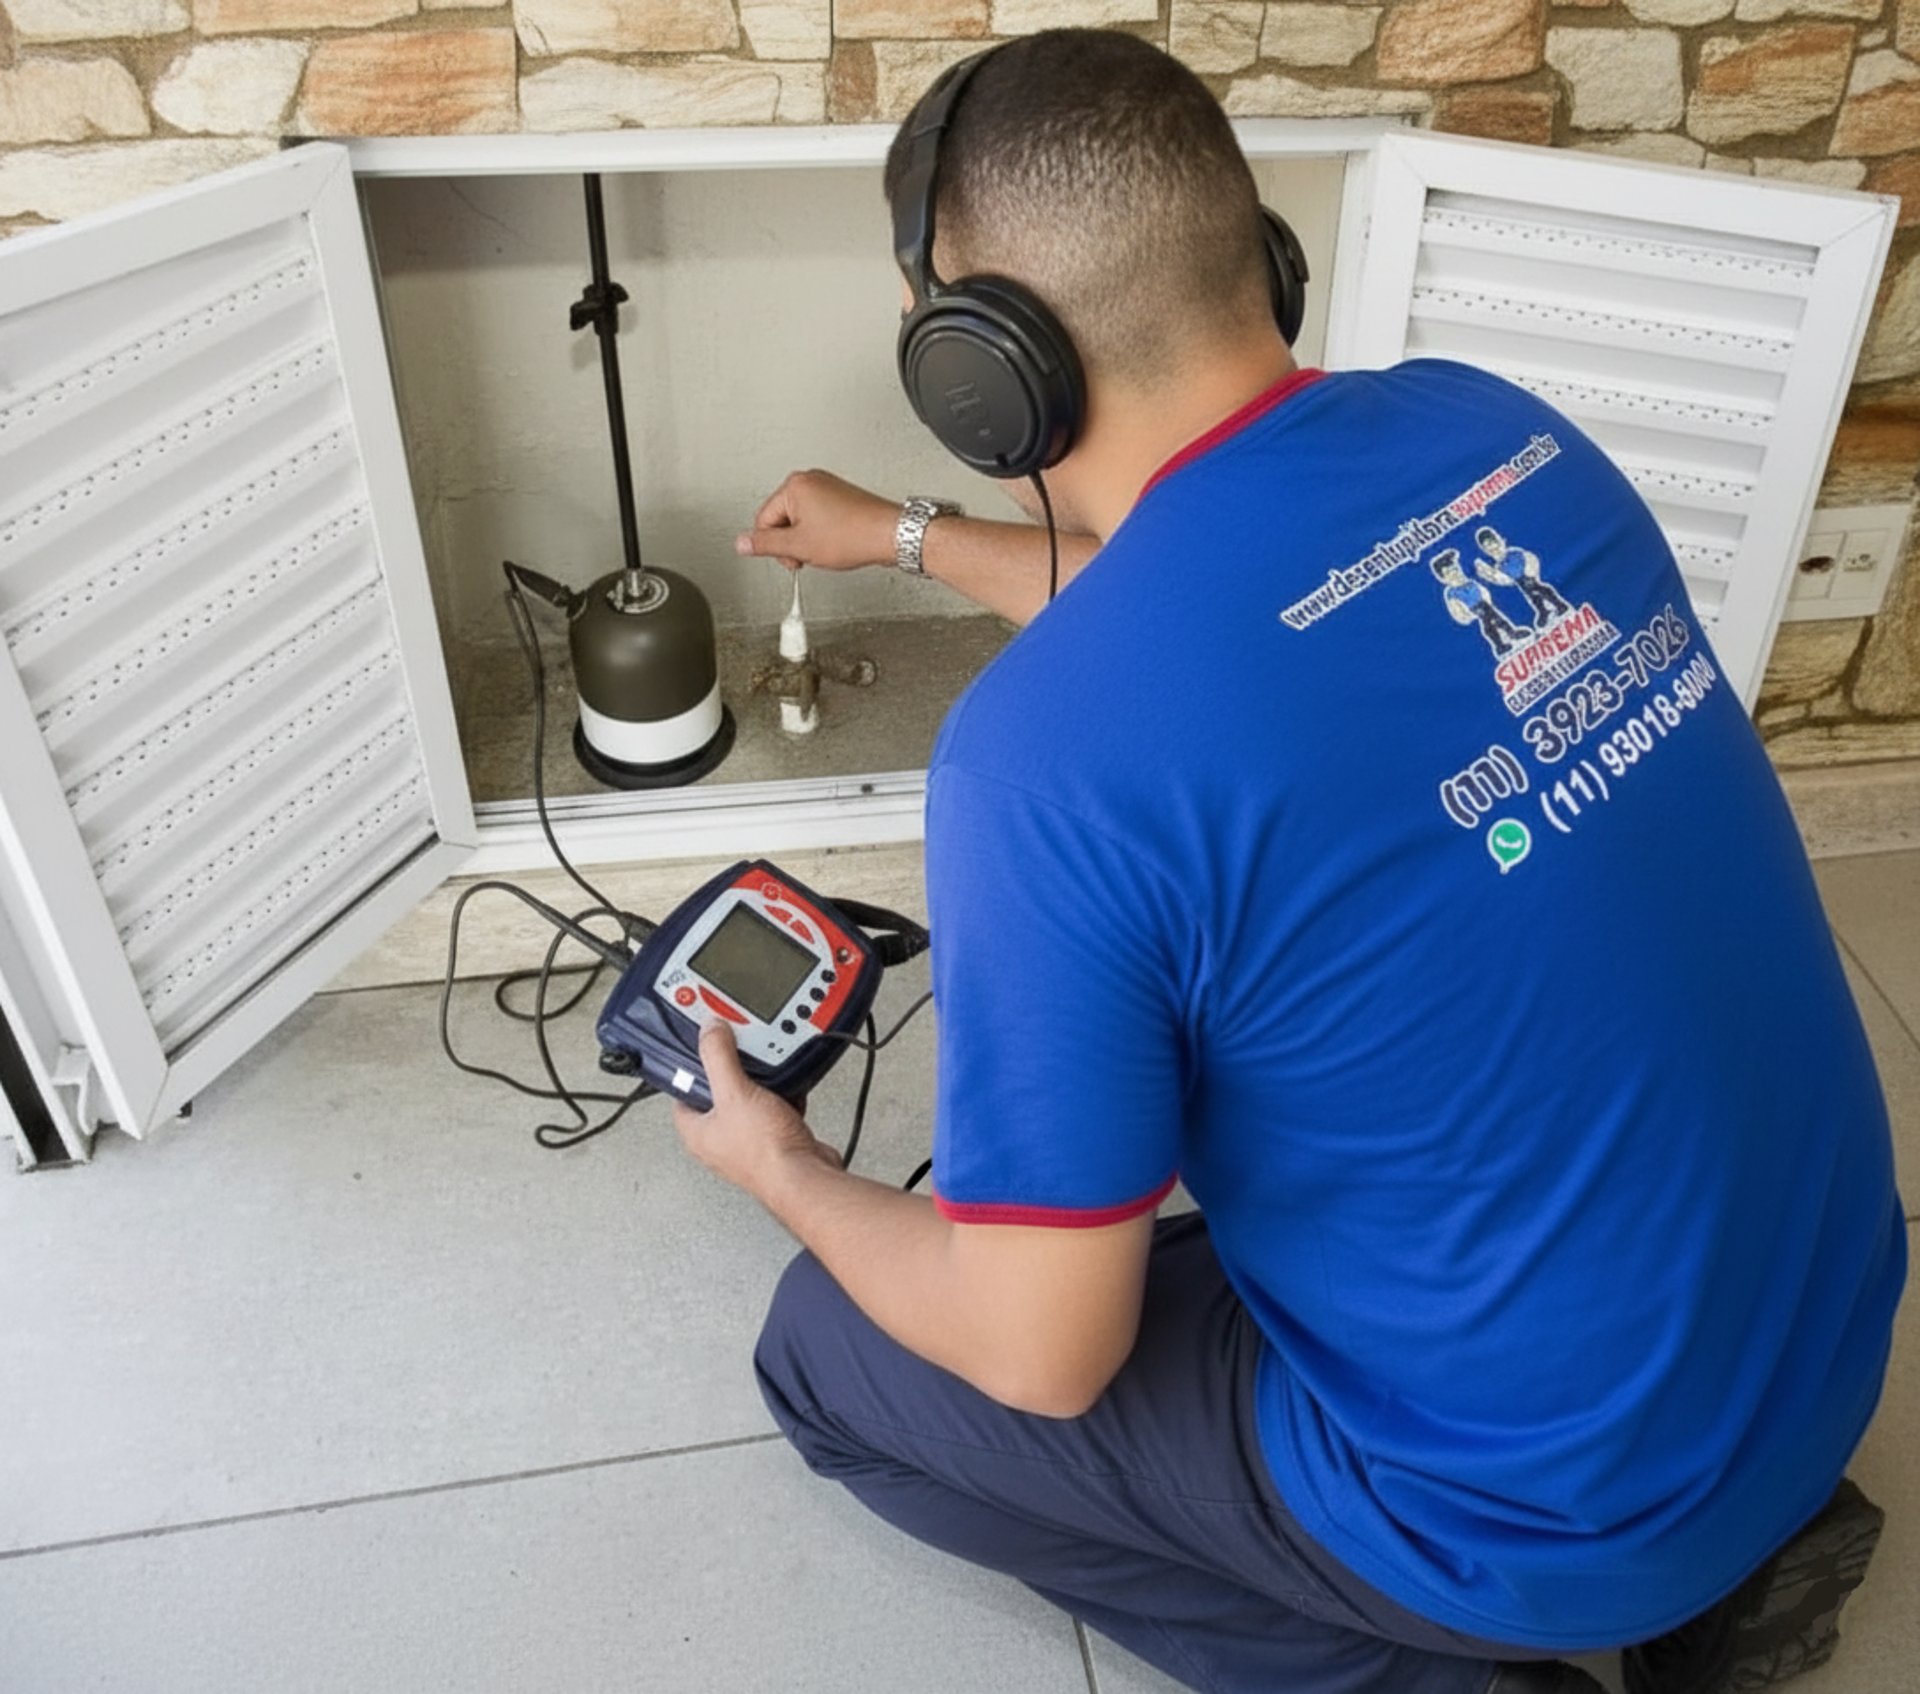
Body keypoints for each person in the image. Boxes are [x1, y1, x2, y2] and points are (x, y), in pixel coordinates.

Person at [671, 29, 1903, 1694]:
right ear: (1257, 259)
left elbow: (1045, 1354)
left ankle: (1444, 1665)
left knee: (834, 1352)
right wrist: (900, 533)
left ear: (982, 369)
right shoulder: (1499, 436)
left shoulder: (1034, 763)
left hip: (1549, 1514)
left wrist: (783, 1174)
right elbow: (1236, 639)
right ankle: (1751, 1565)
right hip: (1823, 1356)